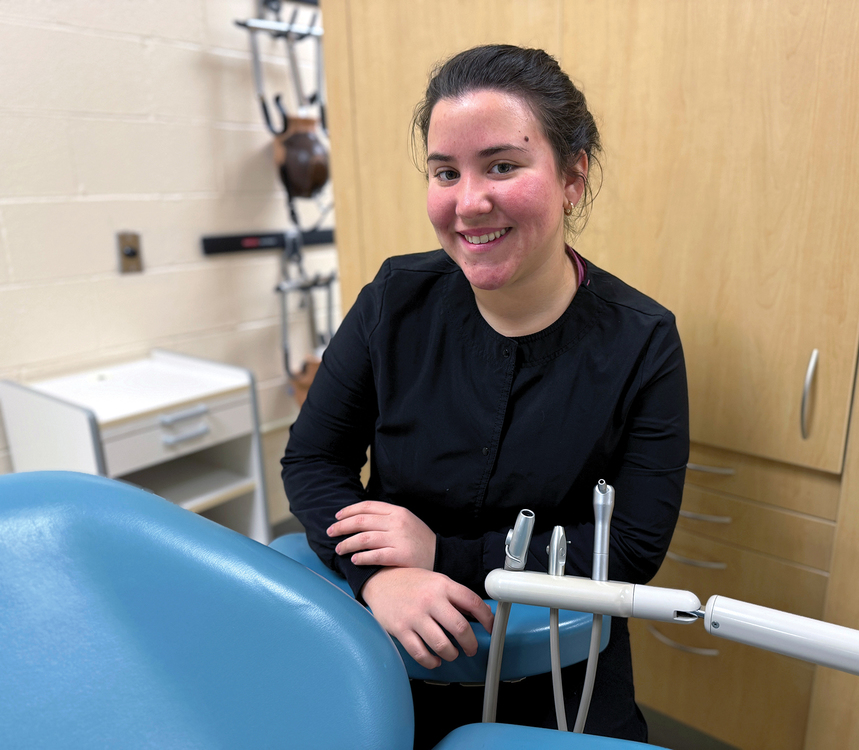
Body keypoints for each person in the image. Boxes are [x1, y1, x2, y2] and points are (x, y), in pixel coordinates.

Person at [281, 44, 688, 747]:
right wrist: (376, 576)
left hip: (557, 671)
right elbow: (313, 460)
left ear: (572, 176)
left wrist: (442, 556)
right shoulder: (393, 301)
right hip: (388, 642)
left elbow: (628, 547)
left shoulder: (642, 342)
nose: (469, 202)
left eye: (502, 165)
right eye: (446, 172)